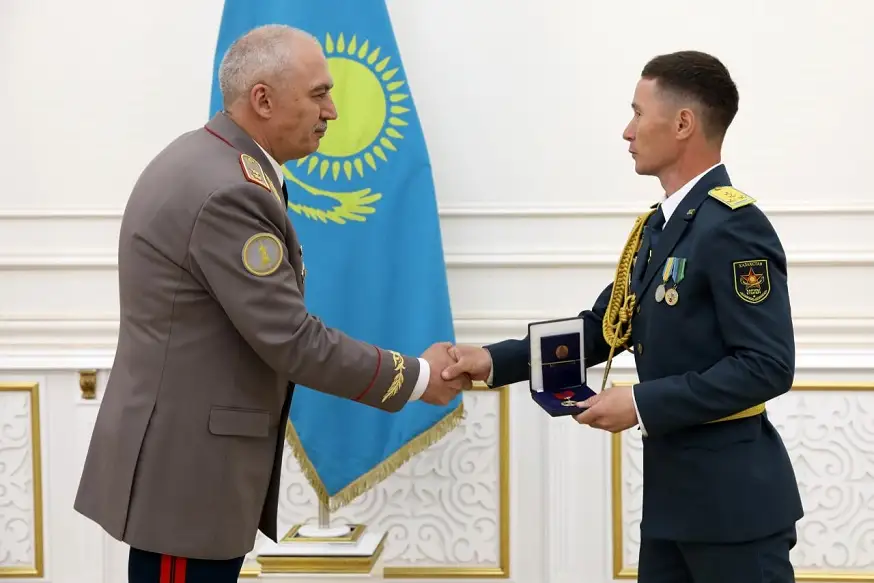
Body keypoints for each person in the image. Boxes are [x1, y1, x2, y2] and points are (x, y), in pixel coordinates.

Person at [73, 24, 468, 583]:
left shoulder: (210, 160)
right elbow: (292, 340)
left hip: (187, 469)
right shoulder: (229, 188)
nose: (331, 111)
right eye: (318, 94)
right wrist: (419, 377)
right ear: (262, 99)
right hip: (187, 478)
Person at [443, 51, 802, 582]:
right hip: (672, 507)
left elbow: (766, 366)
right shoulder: (660, 228)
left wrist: (638, 402)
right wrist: (493, 361)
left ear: (683, 123)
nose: (627, 131)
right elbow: (604, 328)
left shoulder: (733, 226)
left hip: (734, 512)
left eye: (637, 113)